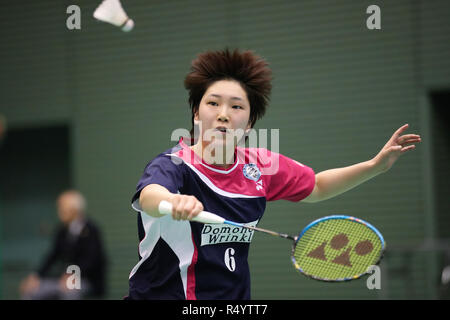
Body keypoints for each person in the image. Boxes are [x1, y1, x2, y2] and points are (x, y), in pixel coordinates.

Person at [126, 49, 421, 300]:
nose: (223, 114)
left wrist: (375, 166)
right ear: (195, 113)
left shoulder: (260, 166)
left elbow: (316, 186)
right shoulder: (173, 165)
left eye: (236, 106)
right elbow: (151, 194)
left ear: (250, 121)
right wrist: (172, 203)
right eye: (213, 103)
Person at [19, 190, 107, 299]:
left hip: (87, 281)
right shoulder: (62, 231)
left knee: (70, 291)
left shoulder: (91, 230)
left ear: (73, 209)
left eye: (61, 206)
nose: (58, 210)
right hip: (62, 280)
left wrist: (73, 275)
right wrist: (36, 275)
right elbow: (52, 256)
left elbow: (92, 259)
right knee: (31, 290)